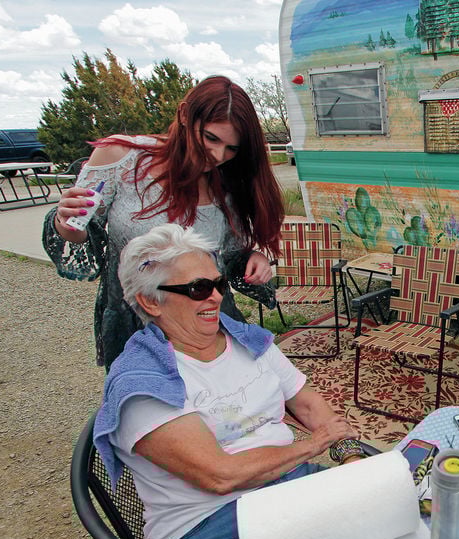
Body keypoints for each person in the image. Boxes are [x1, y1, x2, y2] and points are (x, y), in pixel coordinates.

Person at [92, 225, 364, 539]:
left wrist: (350, 456)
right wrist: (314, 447)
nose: (217, 296)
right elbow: (221, 475)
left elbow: (307, 402)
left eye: (217, 282)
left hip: (289, 493)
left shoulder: (244, 340)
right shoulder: (141, 383)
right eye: (199, 288)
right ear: (151, 301)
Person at [43, 75, 283, 369]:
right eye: (211, 138)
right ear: (184, 115)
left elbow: (230, 255)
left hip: (207, 321)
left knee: (225, 404)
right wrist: (66, 224)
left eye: (232, 148)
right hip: (138, 322)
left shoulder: (228, 181)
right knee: (153, 408)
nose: (219, 155)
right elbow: (83, 234)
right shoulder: (120, 157)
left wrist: (253, 257)